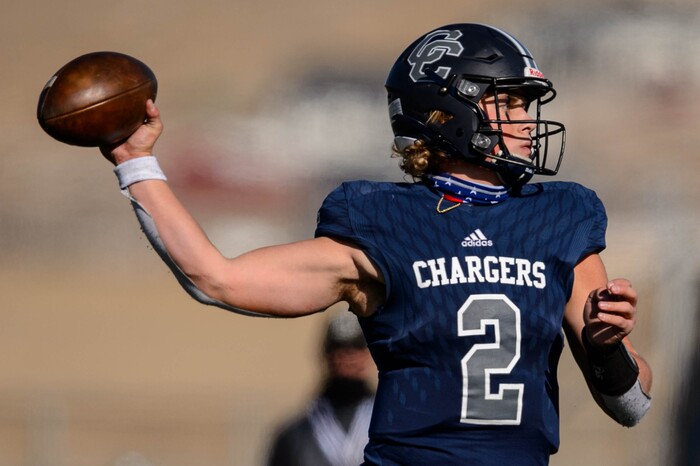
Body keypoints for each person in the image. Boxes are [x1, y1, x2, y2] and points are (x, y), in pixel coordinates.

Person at [99, 23, 652, 465]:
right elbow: (214, 277)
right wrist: (135, 160)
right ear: (448, 111)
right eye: (507, 102)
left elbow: (630, 404)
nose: (527, 121)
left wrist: (606, 347)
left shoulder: (559, 216)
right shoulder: (382, 221)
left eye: (527, 104)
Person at [266, 311, 375, 466]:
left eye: (356, 348)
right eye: (339, 350)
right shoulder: (295, 435)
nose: (349, 358)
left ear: (369, 354)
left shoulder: (392, 426)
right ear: (325, 355)